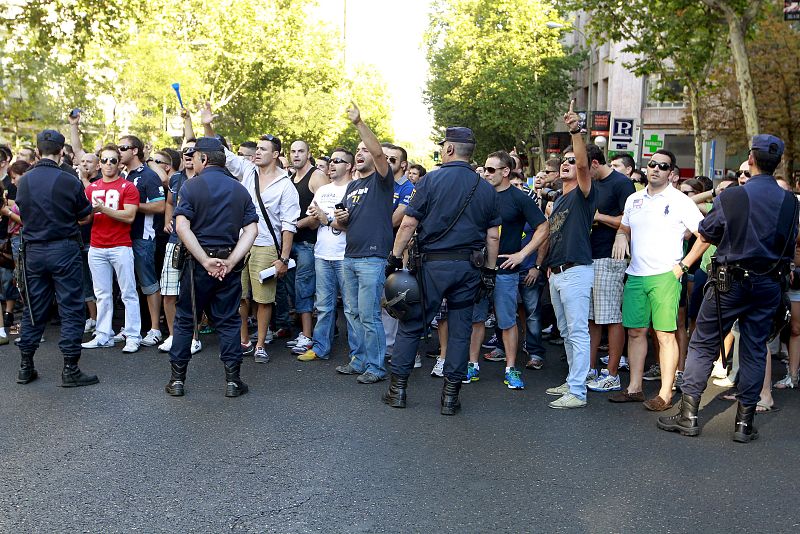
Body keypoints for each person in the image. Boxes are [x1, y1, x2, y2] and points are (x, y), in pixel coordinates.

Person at [658, 135, 799, 442]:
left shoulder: (734, 196)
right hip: (769, 282)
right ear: (777, 163)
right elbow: (790, 243)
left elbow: (708, 231)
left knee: (703, 342)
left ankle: (689, 416)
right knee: (755, 347)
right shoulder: (790, 200)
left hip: (731, 280)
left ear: (751, 159)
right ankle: (744, 423)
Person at [383, 126, 501, 414]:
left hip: (431, 266)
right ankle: (450, 398)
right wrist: (489, 271)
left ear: (449, 149)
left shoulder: (430, 181)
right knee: (460, 331)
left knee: (412, 325)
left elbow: (408, 223)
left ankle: (398, 391)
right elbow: (493, 236)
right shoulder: (486, 188)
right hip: (468, 267)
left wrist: (395, 257)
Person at [610, 149, 704, 410]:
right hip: (636, 274)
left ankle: (665, 393)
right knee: (635, 332)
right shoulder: (634, 199)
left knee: (664, 334)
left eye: (663, 166)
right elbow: (625, 227)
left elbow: (705, 235)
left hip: (666, 275)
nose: (655, 169)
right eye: (652, 164)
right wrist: (621, 235)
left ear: (671, 173)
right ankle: (634, 388)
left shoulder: (680, 200)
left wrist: (683, 266)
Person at [165, 137, 259, 397]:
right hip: (227, 266)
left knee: (186, 320)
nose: (192, 161)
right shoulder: (239, 189)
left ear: (204, 159)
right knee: (229, 322)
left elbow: (181, 226)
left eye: (194, 157)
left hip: (197, 266)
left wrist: (204, 260)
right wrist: (231, 261)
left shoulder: (191, 186)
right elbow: (251, 230)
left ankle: (177, 381)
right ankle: (233, 381)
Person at [14, 129, 97, 387]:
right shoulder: (69, 179)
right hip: (64, 248)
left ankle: (26, 366)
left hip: (34, 250)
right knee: (71, 307)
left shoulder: (24, 181)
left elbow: (23, 213)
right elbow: (85, 215)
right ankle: (70, 369)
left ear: (38, 151)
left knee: (34, 307)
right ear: (61, 152)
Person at [466, 150, 548, 390]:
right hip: (478, 268)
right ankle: (472, 365)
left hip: (506, 270)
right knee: (476, 319)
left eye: (491, 169)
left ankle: (511, 368)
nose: (486, 173)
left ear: (506, 171)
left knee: (507, 321)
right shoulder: (478, 195)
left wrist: (523, 255)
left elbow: (544, 227)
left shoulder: (519, 197)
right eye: (485, 169)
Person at [540, 101, 597, 410]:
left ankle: (578, 391)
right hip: (557, 272)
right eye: (564, 160)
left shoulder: (583, 193)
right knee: (566, 332)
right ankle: (573, 381)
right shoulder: (560, 199)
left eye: (572, 161)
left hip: (576, 271)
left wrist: (576, 131)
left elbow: (584, 167)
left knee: (577, 332)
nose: (566, 163)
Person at [333, 102, 394, 384]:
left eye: (364, 149)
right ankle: (358, 361)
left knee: (369, 316)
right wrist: (340, 218)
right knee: (353, 313)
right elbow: (342, 224)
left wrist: (359, 123)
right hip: (350, 256)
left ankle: (376, 367)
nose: (360, 153)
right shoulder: (353, 185)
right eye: (357, 150)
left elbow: (379, 152)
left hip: (372, 257)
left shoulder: (382, 180)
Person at [298, 148, 359, 362]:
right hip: (322, 254)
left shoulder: (355, 188)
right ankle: (320, 348)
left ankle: (357, 354)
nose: (331, 164)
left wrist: (326, 218)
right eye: (331, 160)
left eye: (337, 161)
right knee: (323, 306)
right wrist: (313, 217)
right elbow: (314, 223)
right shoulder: (323, 190)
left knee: (351, 309)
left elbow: (356, 225)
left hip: (346, 256)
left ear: (349, 166)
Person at [80, 145, 142, 353]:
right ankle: (103, 335)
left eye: (113, 160)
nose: (108, 164)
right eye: (105, 160)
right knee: (102, 294)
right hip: (97, 246)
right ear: (99, 164)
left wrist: (102, 209)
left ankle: (132, 336)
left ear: (119, 163)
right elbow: (86, 218)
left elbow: (130, 216)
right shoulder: (91, 188)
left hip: (121, 245)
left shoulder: (128, 187)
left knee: (128, 292)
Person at [585, 145, 636, 392]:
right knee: (592, 318)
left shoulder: (622, 184)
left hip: (610, 257)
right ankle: (590, 369)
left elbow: (629, 221)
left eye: (585, 168)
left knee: (612, 318)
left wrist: (599, 217)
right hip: (590, 256)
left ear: (595, 163)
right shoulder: (592, 183)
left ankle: (613, 374)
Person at [118, 134, 166, 348]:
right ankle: (130, 328)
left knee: (148, 283)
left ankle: (155, 329)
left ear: (135, 150)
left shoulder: (148, 175)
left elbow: (160, 206)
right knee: (127, 286)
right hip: (121, 236)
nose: (119, 152)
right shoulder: (121, 174)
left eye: (123, 147)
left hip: (142, 237)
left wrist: (132, 206)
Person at [285, 140, 328, 355]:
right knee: (293, 288)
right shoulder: (290, 178)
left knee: (305, 289)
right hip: (292, 242)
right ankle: (305, 332)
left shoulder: (316, 176)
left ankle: (308, 336)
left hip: (309, 243)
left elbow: (321, 213)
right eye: (293, 151)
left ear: (309, 153)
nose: (296, 155)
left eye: (301, 151)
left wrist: (291, 225)